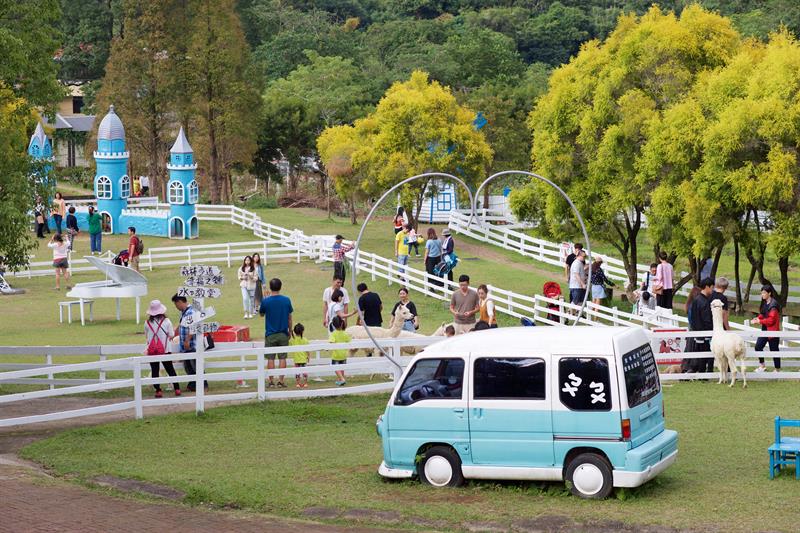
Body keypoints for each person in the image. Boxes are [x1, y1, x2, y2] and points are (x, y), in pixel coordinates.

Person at [258, 278, 294, 387]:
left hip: (270, 334)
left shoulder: (266, 301)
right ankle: (281, 381)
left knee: (270, 358)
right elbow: (289, 318)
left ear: (270, 287)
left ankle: (271, 381)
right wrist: (290, 330)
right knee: (283, 358)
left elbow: (261, 314)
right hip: (283, 333)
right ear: (280, 286)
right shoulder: (286, 300)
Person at [143, 300, 181, 398]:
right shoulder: (166, 321)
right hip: (165, 349)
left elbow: (147, 336)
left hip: (152, 350)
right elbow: (172, 335)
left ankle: (158, 390)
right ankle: (177, 388)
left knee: (154, 370)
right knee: (170, 369)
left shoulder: (147, 323)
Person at [171, 294, 207, 392]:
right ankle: (193, 385)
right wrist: (174, 331)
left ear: (180, 302)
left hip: (191, 344)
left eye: (176, 304)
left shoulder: (191, 311)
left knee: (195, 365)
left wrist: (187, 340)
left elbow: (194, 327)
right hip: (185, 345)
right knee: (188, 366)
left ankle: (202, 385)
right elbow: (182, 324)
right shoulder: (184, 312)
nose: (176, 306)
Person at [688, 278, 715, 374]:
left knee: (702, 354)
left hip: (699, 332)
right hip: (705, 333)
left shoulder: (697, 300)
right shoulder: (703, 301)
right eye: (712, 287)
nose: (713, 289)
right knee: (707, 354)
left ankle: (702, 371)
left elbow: (693, 317)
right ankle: (705, 373)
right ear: (707, 287)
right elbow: (705, 319)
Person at [753, 284, 781, 372]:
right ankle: (762, 366)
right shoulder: (766, 303)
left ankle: (777, 369)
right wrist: (758, 318)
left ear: (769, 293)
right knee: (758, 346)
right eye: (761, 293)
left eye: (764, 293)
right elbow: (763, 314)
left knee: (774, 350)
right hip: (765, 330)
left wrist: (759, 321)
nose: (762, 295)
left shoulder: (774, 305)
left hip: (773, 331)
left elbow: (771, 320)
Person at [329, 316, 351, 386]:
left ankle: (342, 379)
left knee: (335, 367)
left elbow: (331, 342)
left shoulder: (333, 334)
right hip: (344, 354)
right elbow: (349, 341)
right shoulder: (345, 333)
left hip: (336, 355)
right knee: (342, 368)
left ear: (333, 325)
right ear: (342, 324)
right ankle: (341, 380)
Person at [289, 323, 310, 388]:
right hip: (303, 359)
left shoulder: (293, 340)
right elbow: (307, 350)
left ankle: (298, 383)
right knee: (304, 372)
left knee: (297, 372)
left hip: (296, 359)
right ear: (302, 331)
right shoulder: (305, 340)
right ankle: (305, 383)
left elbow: (290, 345)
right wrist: (308, 356)